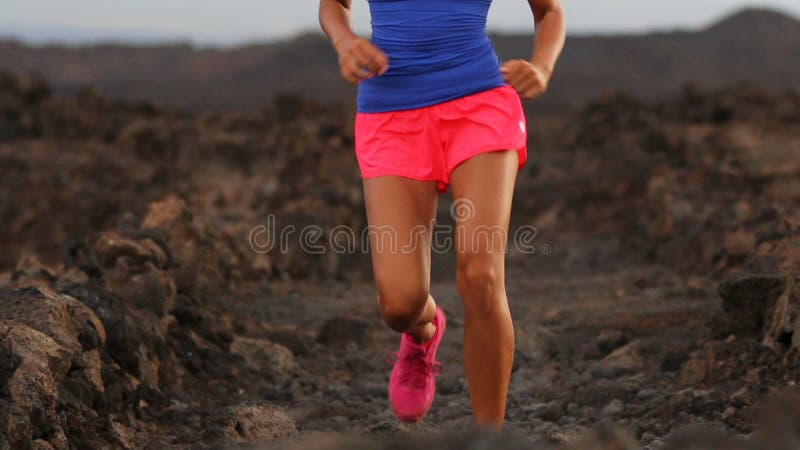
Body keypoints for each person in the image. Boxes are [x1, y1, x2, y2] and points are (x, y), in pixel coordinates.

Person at [318, 0, 565, 426]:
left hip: (480, 104)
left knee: (482, 275)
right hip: (390, 111)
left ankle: (490, 437)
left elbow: (549, 11)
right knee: (399, 304)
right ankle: (424, 333)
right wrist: (346, 41)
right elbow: (334, 5)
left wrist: (541, 66)